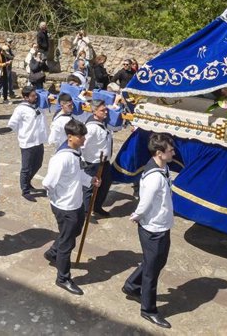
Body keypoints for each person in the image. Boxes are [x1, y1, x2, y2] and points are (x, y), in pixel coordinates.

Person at [122, 133, 176, 329]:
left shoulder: (163, 167)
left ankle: (132, 285)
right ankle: (148, 309)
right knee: (152, 271)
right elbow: (144, 203)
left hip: (162, 224)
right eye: (170, 150)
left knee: (156, 261)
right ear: (159, 153)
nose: (173, 153)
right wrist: (137, 215)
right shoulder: (154, 178)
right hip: (153, 228)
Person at [42, 119, 100, 296]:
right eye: (81, 137)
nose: (84, 140)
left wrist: (90, 180)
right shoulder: (62, 158)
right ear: (70, 137)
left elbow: (77, 174)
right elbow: (48, 183)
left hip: (75, 203)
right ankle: (63, 278)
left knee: (73, 233)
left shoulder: (75, 153)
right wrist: (57, 200)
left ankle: (53, 252)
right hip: (65, 206)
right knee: (68, 243)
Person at [7, 86, 48, 202]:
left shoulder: (38, 106)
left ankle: (27, 181)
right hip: (27, 142)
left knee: (38, 164)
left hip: (38, 141)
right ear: (25, 97)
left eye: (35, 95)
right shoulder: (20, 109)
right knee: (26, 167)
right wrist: (23, 134)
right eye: (32, 96)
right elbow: (12, 124)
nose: (35, 97)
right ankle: (25, 190)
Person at [82, 100, 114, 218]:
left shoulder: (104, 123)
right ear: (94, 111)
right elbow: (82, 144)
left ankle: (97, 207)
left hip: (104, 161)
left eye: (106, 109)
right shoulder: (91, 127)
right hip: (93, 162)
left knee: (105, 184)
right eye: (102, 110)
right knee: (88, 187)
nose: (105, 112)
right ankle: (85, 211)